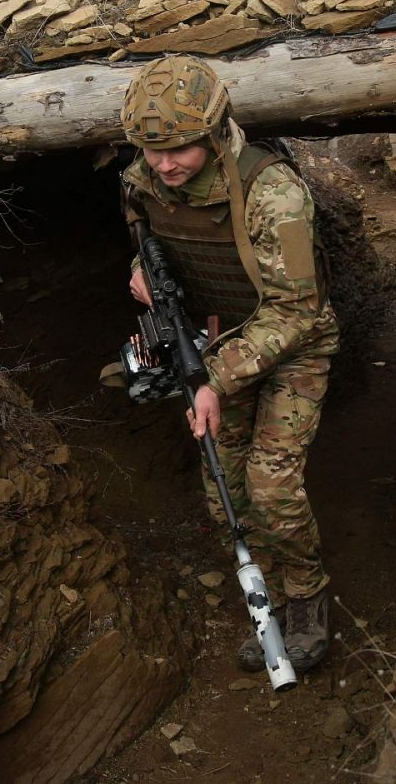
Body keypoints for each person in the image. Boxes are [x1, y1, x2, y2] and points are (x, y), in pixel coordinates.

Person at [118, 54, 340, 673]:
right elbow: (149, 246)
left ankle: (306, 599)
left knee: (271, 486)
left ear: (216, 132)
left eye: (181, 149)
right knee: (225, 492)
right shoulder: (140, 181)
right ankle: (261, 590)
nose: (165, 165)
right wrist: (141, 276)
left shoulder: (273, 192)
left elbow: (297, 312)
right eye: (151, 150)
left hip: (294, 344)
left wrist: (212, 380)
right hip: (215, 343)